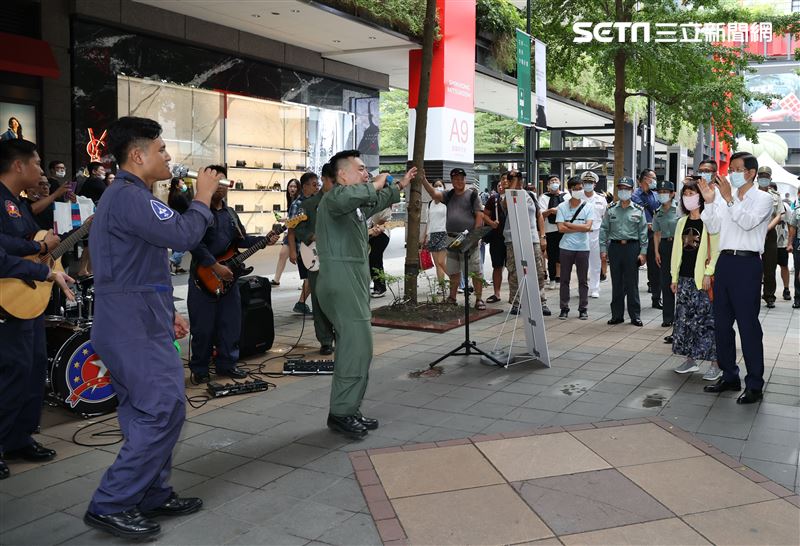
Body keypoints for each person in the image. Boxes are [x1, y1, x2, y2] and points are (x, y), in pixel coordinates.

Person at [84, 116, 221, 538]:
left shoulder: (129, 196)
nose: (168, 156)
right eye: (161, 150)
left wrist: (168, 314)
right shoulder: (129, 196)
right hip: (131, 324)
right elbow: (182, 236)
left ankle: (150, 493)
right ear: (138, 155)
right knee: (163, 409)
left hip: (137, 317)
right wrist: (202, 197)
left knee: (143, 412)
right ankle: (111, 502)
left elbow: (141, 267)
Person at [315, 150, 415, 438]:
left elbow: (373, 201)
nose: (365, 173)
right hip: (341, 280)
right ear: (342, 175)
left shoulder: (351, 205)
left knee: (356, 348)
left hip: (352, 279)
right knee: (357, 347)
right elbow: (362, 194)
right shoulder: (335, 198)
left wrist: (399, 186)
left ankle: (348, 407)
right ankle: (342, 413)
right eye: (360, 169)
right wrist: (377, 183)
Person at [0, 139, 73, 481]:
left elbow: (26, 242)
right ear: (18, 166)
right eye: (38, 164)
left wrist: (47, 253)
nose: (43, 171)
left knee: (30, 373)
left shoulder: (17, 203)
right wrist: (41, 260)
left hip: (28, 303)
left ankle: (19, 438)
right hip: (6, 303)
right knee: (9, 374)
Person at [188, 165, 277, 383]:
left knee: (231, 324)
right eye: (216, 181)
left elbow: (241, 240)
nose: (221, 186)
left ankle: (227, 364)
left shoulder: (230, 214)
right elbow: (194, 242)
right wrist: (214, 266)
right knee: (203, 328)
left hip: (229, 279)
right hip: (203, 279)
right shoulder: (198, 211)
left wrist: (265, 240)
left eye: (224, 182)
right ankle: (199, 368)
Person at [699, 151, 774, 405]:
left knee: (748, 325)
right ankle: (729, 375)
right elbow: (713, 227)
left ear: (751, 173)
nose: (731, 173)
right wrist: (710, 202)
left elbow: (747, 223)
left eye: (737, 168)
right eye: (730, 168)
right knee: (721, 324)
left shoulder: (763, 199)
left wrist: (729, 198)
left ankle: (754, 384)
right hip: (725, 262)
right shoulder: (722, 196)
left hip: (748, 263)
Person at [669, 182, 721, 380]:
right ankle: (690, 360)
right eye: (685, 194)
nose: (687, 197)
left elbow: (715, 250)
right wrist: (674, 276)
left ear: (700, 197)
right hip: (684, 278)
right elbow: (676, 252)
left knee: (706, 322)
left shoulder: (709, 221)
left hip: (702, 280)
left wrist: (709, 272)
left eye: (691, 193)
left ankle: (716, 364)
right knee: (685, 321)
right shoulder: (682, 222)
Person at [422, 167, 486, 309]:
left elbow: (479, 216)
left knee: (475, 269)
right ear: (451, 180)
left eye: (461, 178)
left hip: (469, 238)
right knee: (453, 270)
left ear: (465, 179)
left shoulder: (473, 195)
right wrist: (424, 180)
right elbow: (433, 194)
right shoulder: (448, 195)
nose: (459, 181)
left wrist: (475, 236)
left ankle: (479, 299)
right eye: (456, 178)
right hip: (451, 238)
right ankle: (452, 297)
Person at [291, 163, 336, 355]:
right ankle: (325, 340)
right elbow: (297, 229)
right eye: (331, 181)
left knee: (338, 297)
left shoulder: (341, 203)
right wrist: (311, 236)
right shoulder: (307, 205)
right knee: (318, 300)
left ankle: (340, 334)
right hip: (316, 257)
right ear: (325, 180)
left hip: (338, 257)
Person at [600, 177, 649, 326]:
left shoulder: (639, 210)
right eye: (620, 188)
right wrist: (603, 249)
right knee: (617, 283)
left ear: (632, 191)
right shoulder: (611, 209)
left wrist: (643, 252)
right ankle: (617, 315)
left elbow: (643, 233)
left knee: (632, 283)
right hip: (615, 248)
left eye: (626, 189)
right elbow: (604, 229)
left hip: (632, 248)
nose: (623, 191)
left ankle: (635, 316)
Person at [502, 171, 550, 316]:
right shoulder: (506, 196)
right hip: (513, 238)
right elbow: (506, 206)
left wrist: (542, 236)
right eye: (513, 179)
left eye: (520, 178)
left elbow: (539, 216)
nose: (518, 181)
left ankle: (541, 302)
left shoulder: (530, 195)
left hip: (532, 237)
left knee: (538, 271)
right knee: (514, 271)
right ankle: (516, 303)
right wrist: (513, 184)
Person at [555, 177, 593, 320]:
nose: (579, 191)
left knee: (583, 280)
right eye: (575, 188)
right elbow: (560, 228)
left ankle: (583, 308)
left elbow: (588, 227)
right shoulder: (562, 206)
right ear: (570, 190)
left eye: (580, 188)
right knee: (564, 279)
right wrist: (580, 227)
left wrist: (569, 225)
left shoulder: (588, 206)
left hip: (583, 248)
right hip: (566, 247)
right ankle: (564, 308)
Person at [287, 172, 318, 314]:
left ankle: (301, 303)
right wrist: (292, 251)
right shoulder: (297, 205)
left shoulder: (317, 201)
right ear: (304, 186)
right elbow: (291, 229)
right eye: (313, 184)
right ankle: (302, 304)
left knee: (313, 278)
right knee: (311, 278)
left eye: (318, 184)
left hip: (316, 247)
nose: (317, 187)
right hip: (303, 248)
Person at [631, 169, 661, 308]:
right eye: (652, 178)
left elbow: (658, 211)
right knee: (633, 266)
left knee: (655, 267)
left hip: (652, 234)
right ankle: (631, 299)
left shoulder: (655, 195)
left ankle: (656, 298)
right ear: (644, 179)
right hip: (636, 234)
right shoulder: (634, 195)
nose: (654, 180)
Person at [653, 181, 679, 327]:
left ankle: (681, 316)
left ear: (672, 193)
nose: (662, 194)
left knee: (679, 281)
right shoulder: (658, 212)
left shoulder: (680, 209)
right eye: (660, 192)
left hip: (680, 246)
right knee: (666, 282)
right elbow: (656, 233)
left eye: (665, 192)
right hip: (664, 246)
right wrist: (656, 251)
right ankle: (667, 318)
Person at [756, 167, 782, 308]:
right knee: (753, 265)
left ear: (770, 178)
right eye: (761, 176)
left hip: (770, 233)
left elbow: (778, 215)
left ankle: (769, 296)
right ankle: (752, 293)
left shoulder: (776, 196)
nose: (763, 178)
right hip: (753, 230)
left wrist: (767, 228)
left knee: (770, 267)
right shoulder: (751, 193)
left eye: (766, 176)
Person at [482, 173, 507, 303]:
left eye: (507, 179)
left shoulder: (518, 196)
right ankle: (496, 293)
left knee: (514, 267)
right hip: (497, 237)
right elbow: (484, 215)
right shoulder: (493, 199)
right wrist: (491, 223)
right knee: (497, 266)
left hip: (513, 238)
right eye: (502, 179)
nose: (504, 182)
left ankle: (516, 294)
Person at [581, 172, 607, 298]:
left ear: (595, 184)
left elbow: (604, 218)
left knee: (595, 262)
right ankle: (583, 287)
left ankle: (595, 288)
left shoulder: (601, 199)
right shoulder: (577, 198)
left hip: (596, 233)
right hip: (580, 233)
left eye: (590, 183)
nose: (588, 185)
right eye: (586, 183)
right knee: (581, 262)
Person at [539, 174, 567, 288]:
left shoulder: (566, 196)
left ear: (560, 183)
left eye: (556, 180)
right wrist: (550, 211)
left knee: (563, 254)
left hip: (564, 228)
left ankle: (561, 277)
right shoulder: (544, 197)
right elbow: (541, 214)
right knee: (551, 255)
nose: (554, 182)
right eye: (552, 181)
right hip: (550, 230)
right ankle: (552, 278)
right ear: (548, 185)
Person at [271, 178, 300, 286]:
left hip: (298, 233)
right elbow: (292, 218)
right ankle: (276, 280)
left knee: (302, 258)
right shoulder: (292, 200)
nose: (292, 189)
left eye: (295, 186)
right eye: (290, 186)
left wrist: (284, 220)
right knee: (283, 254)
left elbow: (298, 219)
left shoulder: (298, 201)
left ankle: (306, 282)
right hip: (291, 232)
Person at [421, 180, 448, 282]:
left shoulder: (446, 202)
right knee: (438, 264)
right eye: (435, 186)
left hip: (444, 233)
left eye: (440, 185)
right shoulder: (429, 204)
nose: (437, 187)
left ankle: (456, 280)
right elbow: (428, 221)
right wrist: (424, 236)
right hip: (432, 234)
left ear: (444, 188)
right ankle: (442, 287)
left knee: (441, 262)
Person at [167, 177, 191, 274]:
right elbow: (188, 206)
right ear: (177, 185)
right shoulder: (180, 195)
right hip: (182, 221)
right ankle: (171, 260)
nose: (183, 183)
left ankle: (177, 267)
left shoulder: (171, 195)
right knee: (186, 243)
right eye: (182, 182)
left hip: (175, 221)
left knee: (176, 245)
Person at [367, 205, 392, 298]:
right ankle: (376, 285)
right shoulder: (373, 204)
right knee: (372, 260)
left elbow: (381, 222)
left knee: (375, 260)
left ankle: (380, 288)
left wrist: (371, 228)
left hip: (381, 234)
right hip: (372, 234)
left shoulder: (385, 206)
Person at [787, 186, 800, 309]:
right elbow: (792, 229)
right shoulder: (797, 210)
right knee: (798, 272)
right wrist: (790, 243)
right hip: (799, 244)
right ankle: (798, 298)